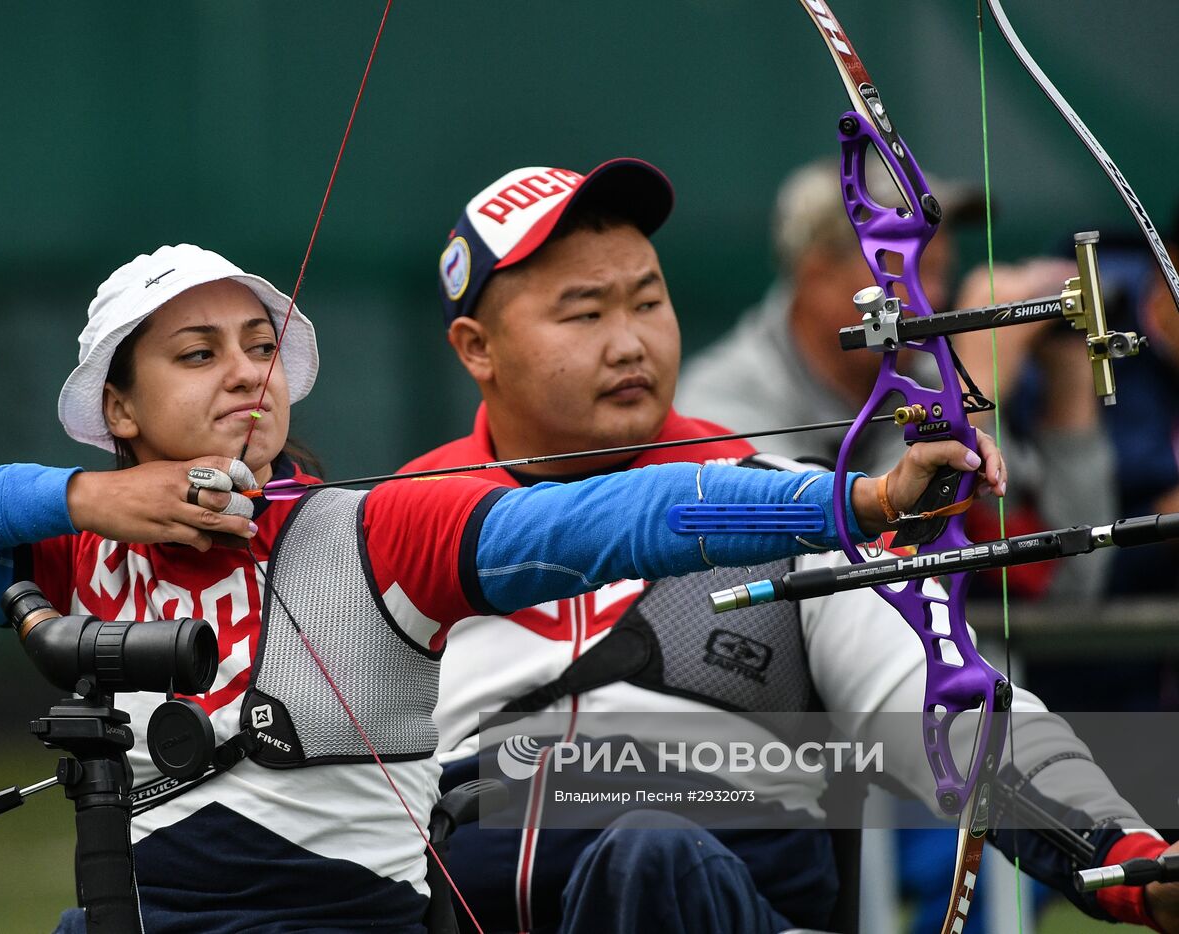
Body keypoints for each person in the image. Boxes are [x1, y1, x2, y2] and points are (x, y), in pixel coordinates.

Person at [0, 243, 980, 933]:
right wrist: (81, 502)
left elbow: (617, 515)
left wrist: (854, 505)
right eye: (196, 356)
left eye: (259, 348)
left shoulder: (373, 529)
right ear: (119, 406)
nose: (247, 376)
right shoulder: (66, 554)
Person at [410, 158, 1178, 933]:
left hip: (729, 900)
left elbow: (952, 706)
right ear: (478, 348)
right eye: (584, 315)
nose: (629, 344)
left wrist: (1124, 858)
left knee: (650, 858)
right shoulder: (392, 531)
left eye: (648, 301)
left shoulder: (791, 501)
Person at [676, 157, 1117, 602]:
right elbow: (847, 581)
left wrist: (1068, 391)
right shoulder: (721, 402)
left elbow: (1071, 589)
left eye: (940, 272)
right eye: (913, 274)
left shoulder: (925, 370)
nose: (938, 298)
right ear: (819, 278)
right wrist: (972, 387)